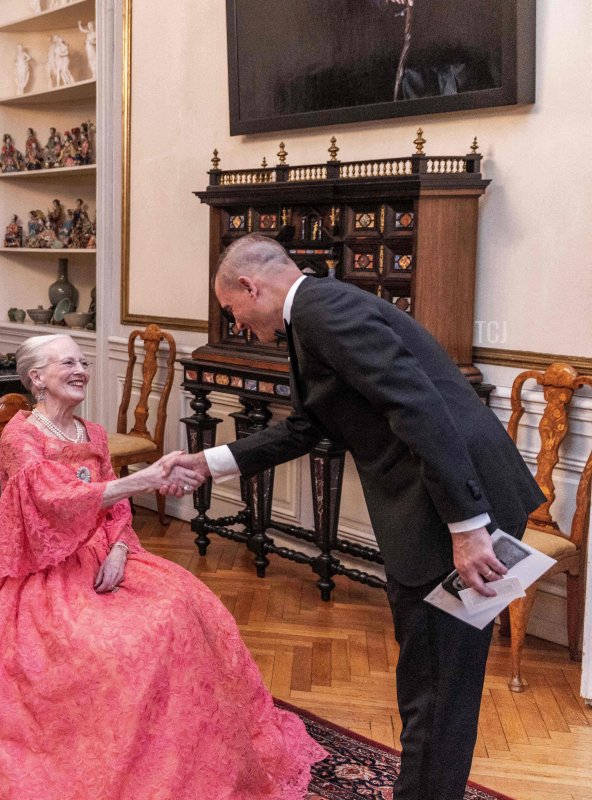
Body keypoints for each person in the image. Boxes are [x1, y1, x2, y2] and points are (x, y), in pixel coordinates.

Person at [172, 233, 544, 800]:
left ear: (250, 285)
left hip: (453, 510)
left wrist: (468, 528)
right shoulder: (316, 313)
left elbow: (415, 406)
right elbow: (308, 425)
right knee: (433, 680)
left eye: (233, 312)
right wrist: (208, 462)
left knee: (438, 684)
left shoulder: (323, 311)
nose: (238, 324)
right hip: (443, 506)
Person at [0, 333, 326, 800]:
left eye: (83, 362)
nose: (80, 370)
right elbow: (50, 504)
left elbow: (114, 510)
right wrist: (144, 478)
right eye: (67, 363)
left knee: (182, 608)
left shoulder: (92, 433)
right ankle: (116, 758)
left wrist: (118, 550)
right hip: (43, 570)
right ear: (37, 378)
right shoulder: (21, 436)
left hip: (104, 553)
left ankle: (181, 750)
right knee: (116, 645)